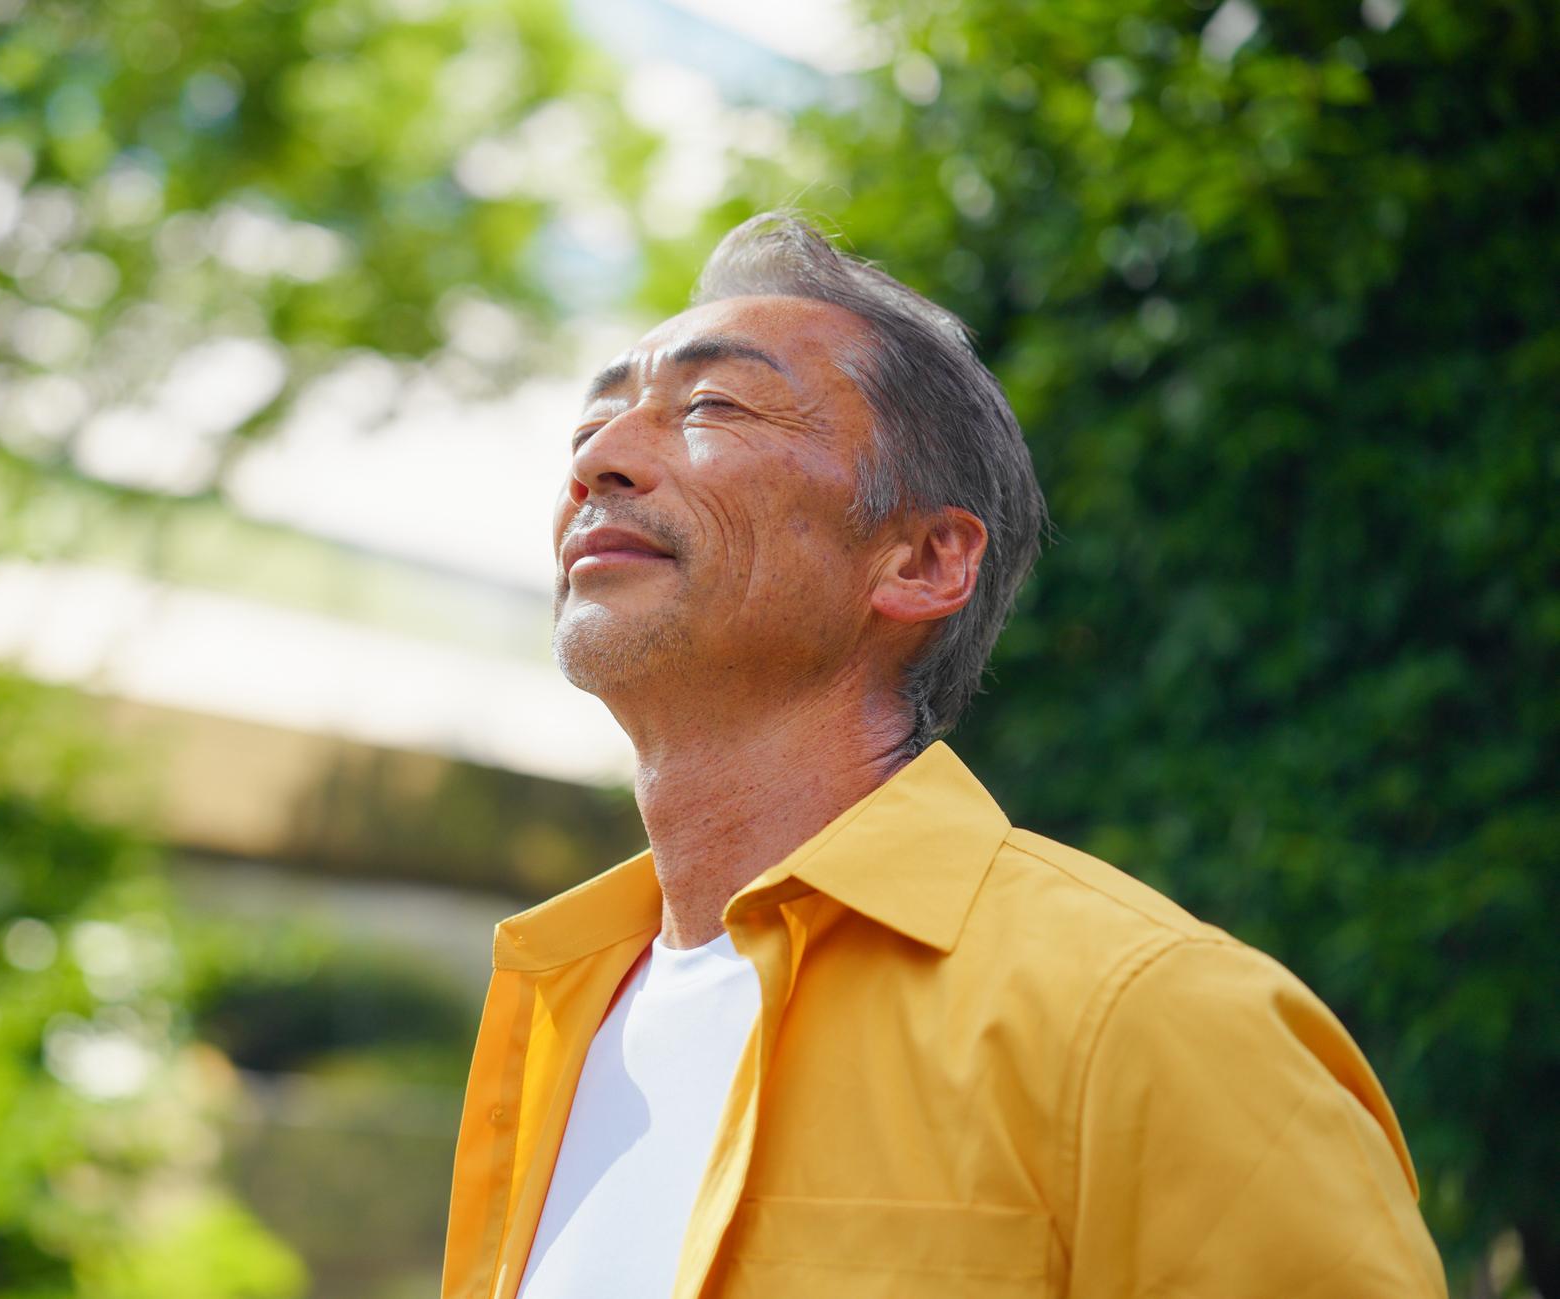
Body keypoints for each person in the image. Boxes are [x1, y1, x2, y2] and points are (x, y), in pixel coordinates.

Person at [438, 212, 1445, 1299]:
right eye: (590, 425)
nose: (598, 460)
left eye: (710, 405)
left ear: (920, 560)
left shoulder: (1153, 1021)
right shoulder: (557, 1015)